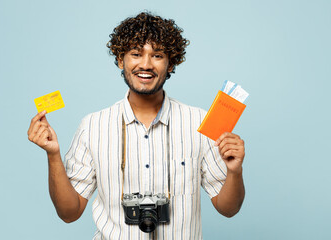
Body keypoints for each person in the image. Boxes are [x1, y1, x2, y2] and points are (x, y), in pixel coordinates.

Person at [27, 12, 245, 240]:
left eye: (158, 55)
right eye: (136, 54)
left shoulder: (199, 123)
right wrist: (53, 155)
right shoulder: (92, 126)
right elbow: (69, 213)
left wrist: (234, 171)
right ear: (121, 60)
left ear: (171, 63)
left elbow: (228, 209)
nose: (146, 64)